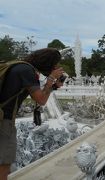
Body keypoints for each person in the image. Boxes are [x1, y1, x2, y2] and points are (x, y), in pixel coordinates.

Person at [0, 48, 64, 180]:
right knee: (4, 166)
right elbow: (41, 100)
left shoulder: (18, 66)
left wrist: (52, 86)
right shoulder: (27, 71)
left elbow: (40, 97)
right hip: (3, 122)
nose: (54, 67)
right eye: (53, 64)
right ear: (47, 62)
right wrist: (51, 78)